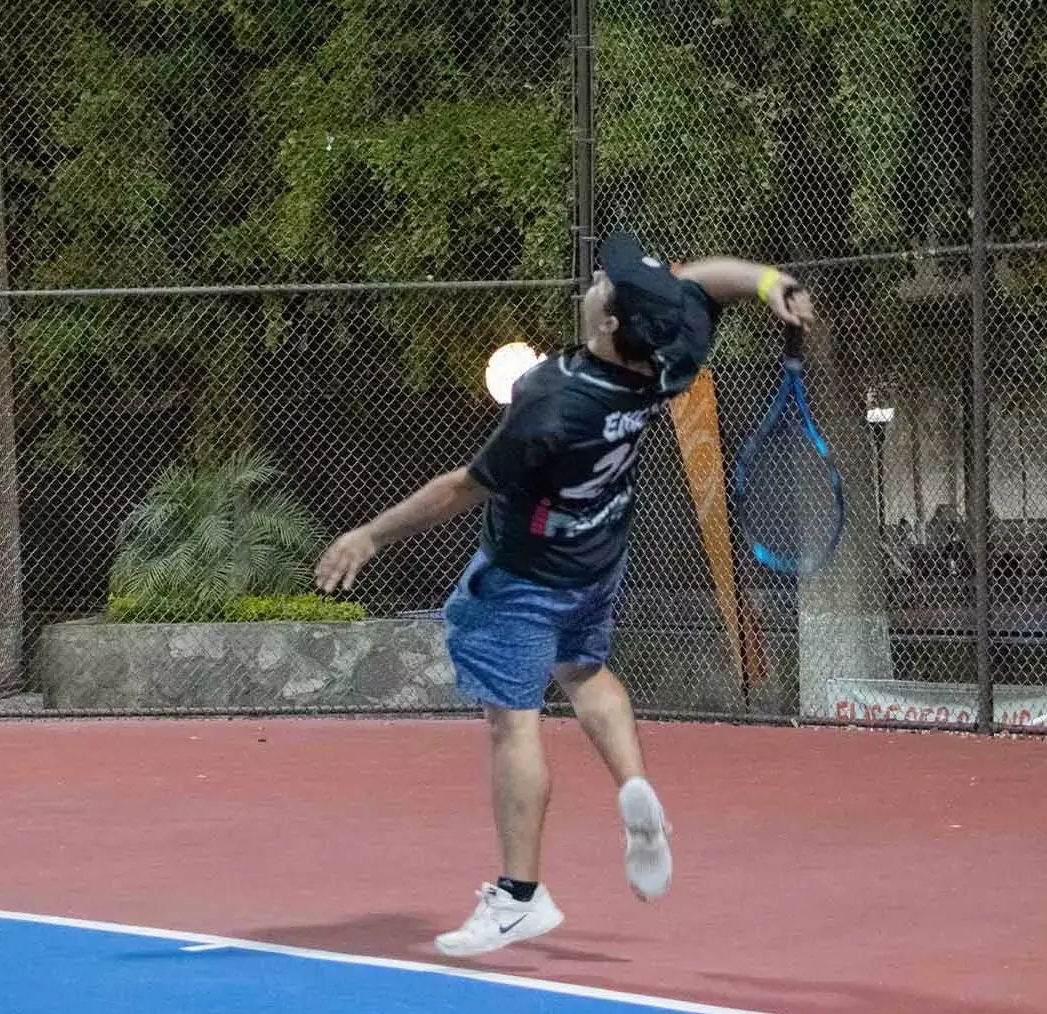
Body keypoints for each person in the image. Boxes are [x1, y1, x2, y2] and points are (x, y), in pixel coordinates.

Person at [313, 232, 813, 957]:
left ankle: (520, 898)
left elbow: (463, 488)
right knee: (582, 671)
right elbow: (702, 282)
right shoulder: (672, 359)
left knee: (513, 724)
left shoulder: (552, 402)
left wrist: (371, 534)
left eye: (606, 288)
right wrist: (770, 282)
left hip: (524, 575)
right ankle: (634, 786)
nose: (596, 284)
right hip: (597, 557)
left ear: (610, 325)